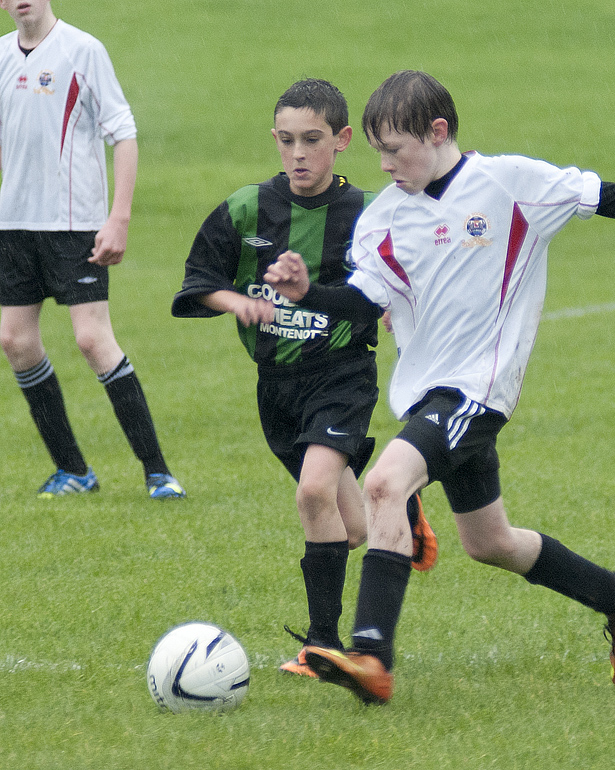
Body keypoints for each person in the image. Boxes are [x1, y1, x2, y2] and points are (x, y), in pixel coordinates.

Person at [264, 70, 615, 704]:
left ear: (438, 132)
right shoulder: (384, 218)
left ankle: (371, 655)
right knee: (490, 543)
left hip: (479, 390)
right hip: (428, 395)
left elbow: (610, 197)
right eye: (378, 150)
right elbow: (363, 307)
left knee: (385, 483)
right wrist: (311, 294)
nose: (384, 164)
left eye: (396, 148)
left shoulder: (511, 183)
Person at [171, 78, 437, 678]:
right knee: (349, 530)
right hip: (277, 389)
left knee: (314, 492)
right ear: (274, 139)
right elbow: (197, 281)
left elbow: (408, 271)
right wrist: (235, 303)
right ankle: (406, 509)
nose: (298, 154)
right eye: (287, 140)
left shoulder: (370, 212)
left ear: (341, 141)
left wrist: (396, 305)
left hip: (341, 376)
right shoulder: (247, 209)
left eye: (312, 140)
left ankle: (321, 646)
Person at [0, 0, 185, 499]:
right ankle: (74, 471)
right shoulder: (0, 57)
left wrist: (118, 217)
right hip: (14, 227)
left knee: (91, 339)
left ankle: (158, 473)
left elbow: (122, 133)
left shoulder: (82, 50)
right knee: (15, 341)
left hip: (73, 226)